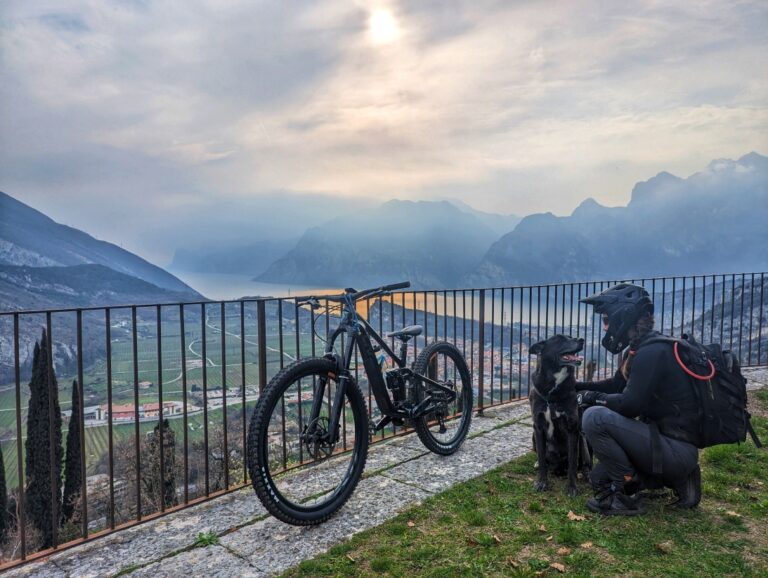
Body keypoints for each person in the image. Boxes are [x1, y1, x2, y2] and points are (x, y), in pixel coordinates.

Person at [576, 283, 701, 516]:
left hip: (674, 449)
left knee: (594, 418)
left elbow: (628, 405)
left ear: (622, 316)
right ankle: (682, 480)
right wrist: (575, 388)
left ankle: (628, 498)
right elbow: (615, 386)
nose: (605, 327)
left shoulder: (651, 352)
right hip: (661, 442)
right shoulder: (639, 348)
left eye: (606, 319)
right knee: (599, 478)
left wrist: (592, 398)